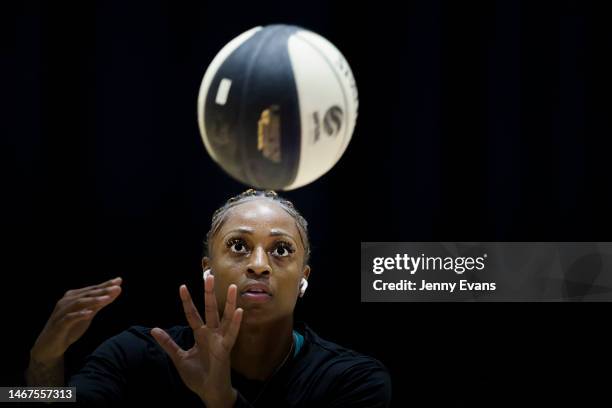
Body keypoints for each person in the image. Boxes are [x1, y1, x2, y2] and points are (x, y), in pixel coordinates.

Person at [25, 189, 392, 407]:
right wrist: (43, 361)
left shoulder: (353, 380)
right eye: (238, 246)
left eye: (281, 249)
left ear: (303, 279)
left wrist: (223, 401)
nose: (260, 265)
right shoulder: (138, 355)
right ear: (208, 270)